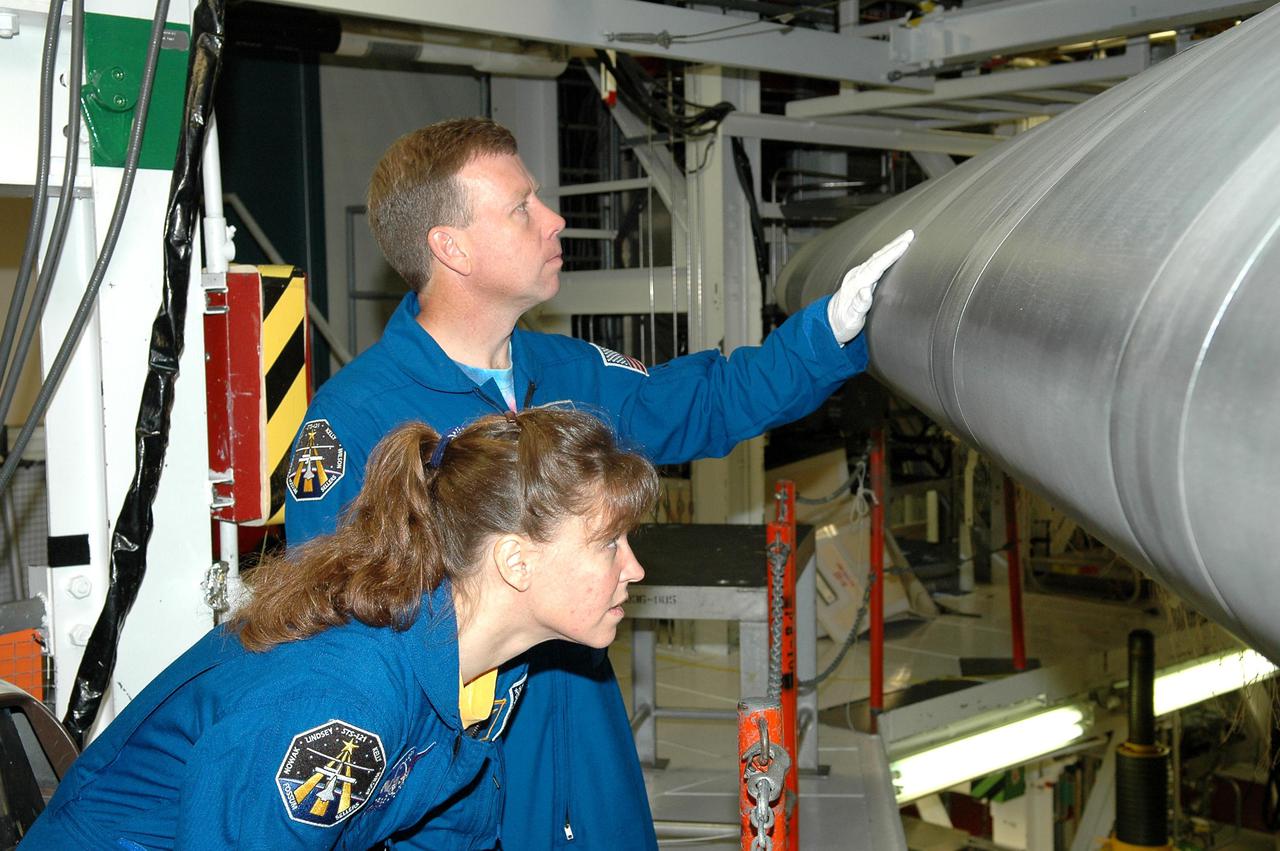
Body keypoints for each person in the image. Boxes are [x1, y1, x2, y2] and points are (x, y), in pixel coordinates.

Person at [285, 117, 913, 848]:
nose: (554, 221)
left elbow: (704, 404)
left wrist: (825, 335)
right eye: (522, 207)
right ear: (450, 247)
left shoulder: (567, 373)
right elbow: (334, 640)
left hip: (586, 735)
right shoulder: (354, 422)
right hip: (453, 777)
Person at [22, 408, 658, 850]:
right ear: (515, 561)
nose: (634, 567)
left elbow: (450, 831)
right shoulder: (345, 697)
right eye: (608, 544)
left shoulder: (487, 673)